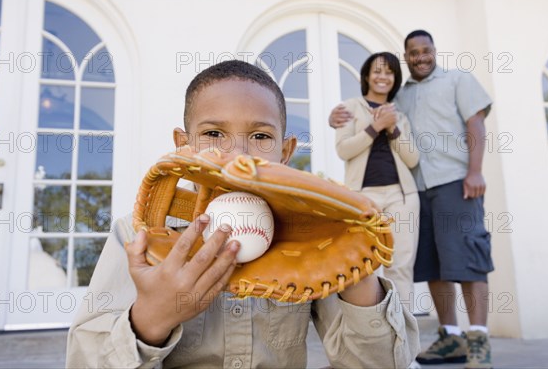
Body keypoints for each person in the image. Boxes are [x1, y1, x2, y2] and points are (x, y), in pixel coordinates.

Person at [66, 60, 419, 368]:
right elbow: (83, 361)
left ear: (285, 152)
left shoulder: (314, 236)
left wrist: (357, 273)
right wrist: (150, 319)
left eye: (260, 136)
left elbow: (382, 364)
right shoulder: (141, 234)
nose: (237, 154)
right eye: (213, 133)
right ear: (183, 145)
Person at [329, 31, 494, 369]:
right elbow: (353, 134)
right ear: (406, 58)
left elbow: (474, 124)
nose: (421, 57)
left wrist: (475, 171)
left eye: (426, 51)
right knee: (434, 263)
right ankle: (450, 337)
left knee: (468, 257)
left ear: (433, 51)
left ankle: (478, 340)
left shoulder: (457, 80)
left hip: (454, 182)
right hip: (418, 190)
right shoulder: (398, 98)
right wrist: (340, 118)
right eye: (413, 53)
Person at [334, 52, 420, 315]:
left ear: (395, 79)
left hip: (401, 197)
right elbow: (343, 150)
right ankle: (372, 340)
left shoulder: (400, 117)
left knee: (400, 268)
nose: (383, 77)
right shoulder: (348, 108)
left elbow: (412, 158)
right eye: (378, 71)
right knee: (362, 265)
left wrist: (392, 127)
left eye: (389, 72)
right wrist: (375, 126)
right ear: (367, 76)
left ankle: (404, 348)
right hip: (362, 198)